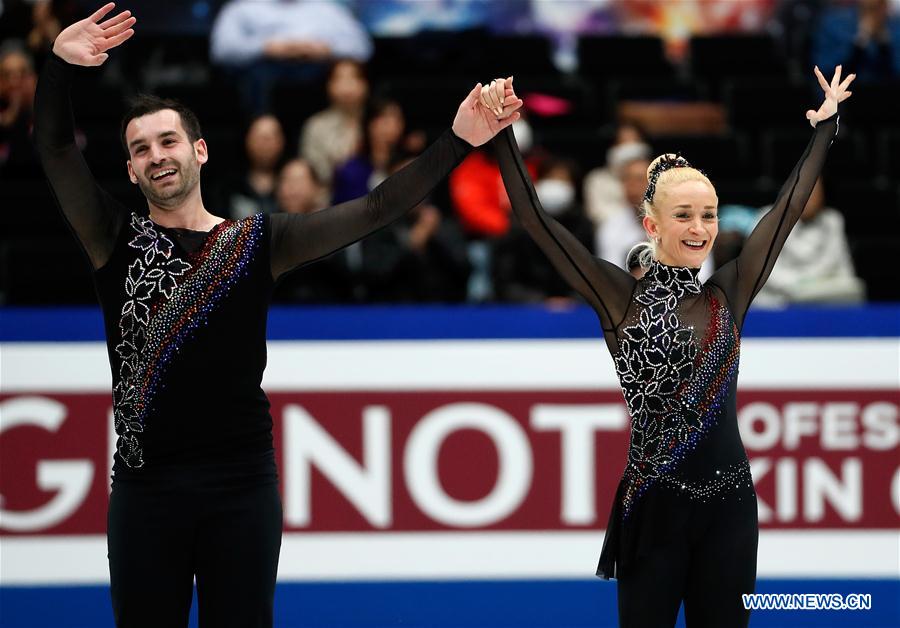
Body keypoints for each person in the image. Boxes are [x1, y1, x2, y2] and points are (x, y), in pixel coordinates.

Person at [34, 5, 522, 626]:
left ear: (200, 150)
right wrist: (56, 67)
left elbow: (375, 208)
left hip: (241, 486)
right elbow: (52, 149)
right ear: (129, 170)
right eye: (140, 149)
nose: (156, 156)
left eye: (168, 140)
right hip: (145, 490)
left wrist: (457, 141)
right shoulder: (114, 241)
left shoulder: (258, 243)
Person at [482, 65, 853, 627]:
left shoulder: (729, 292)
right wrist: (503, 135)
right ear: (652, 225)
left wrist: (824, 128)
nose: (700, 227)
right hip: (654, 508)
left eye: (707, 214)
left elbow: (786, 210)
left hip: (730, 508)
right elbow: (536, 221)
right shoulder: (619, 299)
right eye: (683, 215)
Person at [754, 176, 865, 306]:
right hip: (776, 302)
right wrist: (799, 287)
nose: (807, 197)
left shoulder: (833, 220)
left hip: (820, 298)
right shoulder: (767, 218)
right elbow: (762, 270)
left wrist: (811, 287)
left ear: (823, 195)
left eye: (813, 191)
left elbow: (843, 269)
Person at [299, 58, 369, 193]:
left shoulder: (378, 122)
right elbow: (315, 173)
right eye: (339, 78)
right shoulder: (315, 126)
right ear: (329, 86)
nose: (346, 85)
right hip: (329, 200)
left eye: (353, 77)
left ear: (365, 84)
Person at [224, 113, 286, 219]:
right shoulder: (228, 187)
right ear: (247, 141)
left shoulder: (293, 183)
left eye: (271, 137)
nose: (265, 144)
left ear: (282, 142)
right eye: (260, 137)